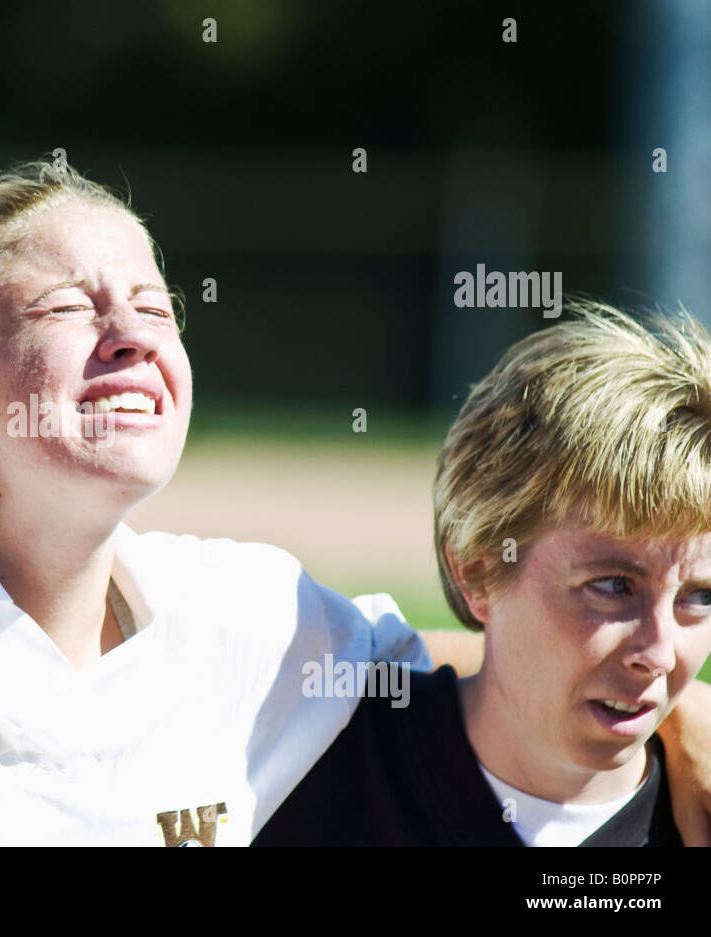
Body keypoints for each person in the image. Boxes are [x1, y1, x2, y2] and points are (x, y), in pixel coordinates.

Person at [0, 165, 711, 845]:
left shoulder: (249, 620)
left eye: (151, 303)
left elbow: (497, 639)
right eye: (67, 307)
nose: (129, 329)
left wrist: (678, 714)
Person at [254, 304, 711, 846]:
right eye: (612, 587)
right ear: (476, 572)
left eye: (700, 596)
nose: (659, 653)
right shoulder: (305, 754)